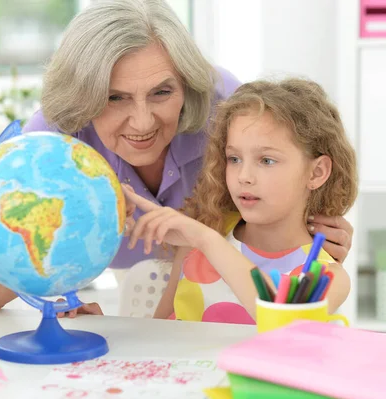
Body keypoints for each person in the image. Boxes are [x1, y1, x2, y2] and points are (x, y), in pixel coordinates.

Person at [0, 0, 354, 315]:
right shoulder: (52, 140)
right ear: (83, 97)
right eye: (115, 97)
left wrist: (316, 227)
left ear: (186, 84)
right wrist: (57, 296)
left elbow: (289, 188)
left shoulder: (223, 107)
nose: (143, 122)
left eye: (162, 93)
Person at [122, 78, 356, 322]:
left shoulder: (327, 276)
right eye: (234, 158)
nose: (244, 177)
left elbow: (282, 320)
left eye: (266, 160)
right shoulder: (197, 243)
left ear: (316, 172)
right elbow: (157, 335)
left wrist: (204, 239)